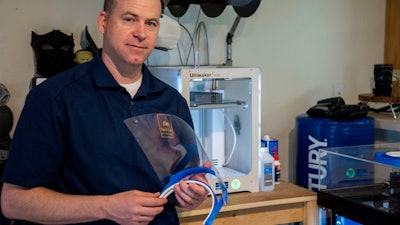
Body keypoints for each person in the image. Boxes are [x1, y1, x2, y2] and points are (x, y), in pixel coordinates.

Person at [0, 0, 210, 224]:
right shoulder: (54, 98)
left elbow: (182, 186)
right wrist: (106, 207)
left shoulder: (172, 102)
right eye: (129, 19)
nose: (141, 33)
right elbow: (14, 202)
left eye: (151, 23)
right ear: (104, 22)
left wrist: (192, 193)